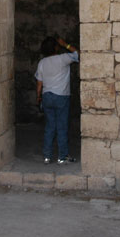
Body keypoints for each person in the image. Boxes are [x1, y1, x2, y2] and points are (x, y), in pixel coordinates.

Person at [35, 36, 79, 165]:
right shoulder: (63, 58)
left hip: (47, 96)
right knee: (62, 127)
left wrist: (38, 97)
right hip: (61, 96)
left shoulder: (42, 63)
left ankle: (47, 156)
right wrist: (65, 44)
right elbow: (77, 54)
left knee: (50, 127)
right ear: (56, 47)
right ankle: (62, 156)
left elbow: (39, 82)